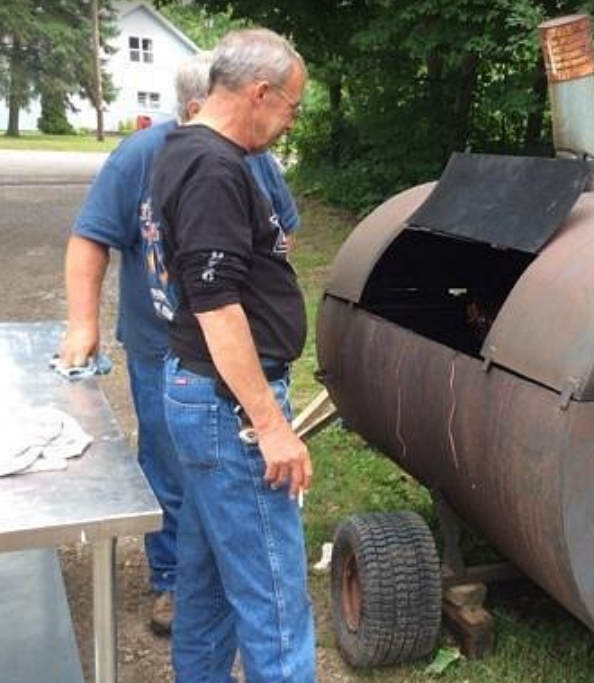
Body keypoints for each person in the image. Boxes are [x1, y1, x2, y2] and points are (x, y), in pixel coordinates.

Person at [60, 51, 301, 636]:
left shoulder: (253, 155)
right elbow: (90, 237)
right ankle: (170, 578)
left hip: (223, 349)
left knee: (207, 476)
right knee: (170, 465)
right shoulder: (146, 156)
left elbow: (282, 227)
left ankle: (198, 578)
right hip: (163, 344)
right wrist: (82, 323)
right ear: (199, 106)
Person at [149, 28, 315, 683]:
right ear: (259, 92)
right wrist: (271, 425)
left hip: (199, 395)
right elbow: (218, 306)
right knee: (276, 601)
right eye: (292, 108)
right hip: (230, 410)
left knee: (209, 584)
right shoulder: (216, 168)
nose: (290, 121)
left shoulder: (184, 147)